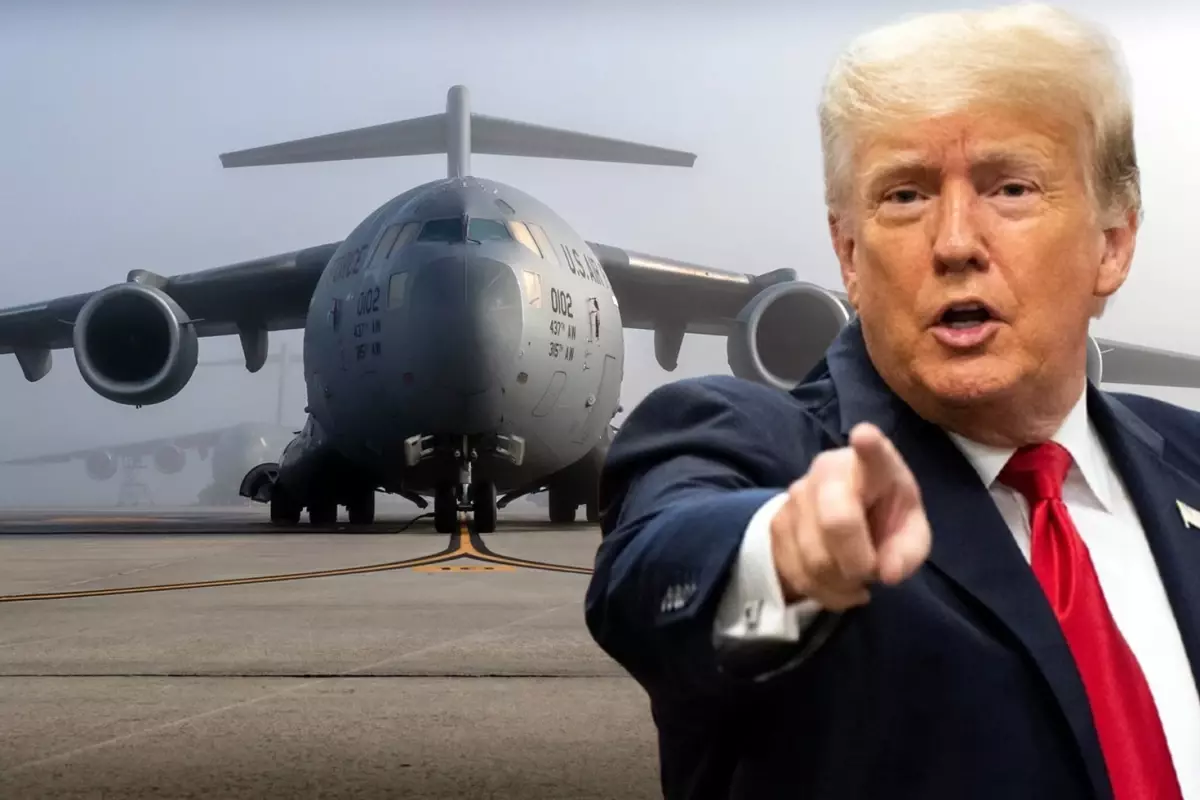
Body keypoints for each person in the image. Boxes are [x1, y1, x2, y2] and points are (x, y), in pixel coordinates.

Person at [584, 4, 1200, 799]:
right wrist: (781, 561)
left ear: (1113, 243)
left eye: (1010, 188)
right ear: (848, 253)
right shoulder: (758, 450)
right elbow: (656, 576)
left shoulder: (1186, 462)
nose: (954, 243)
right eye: (905, 196)